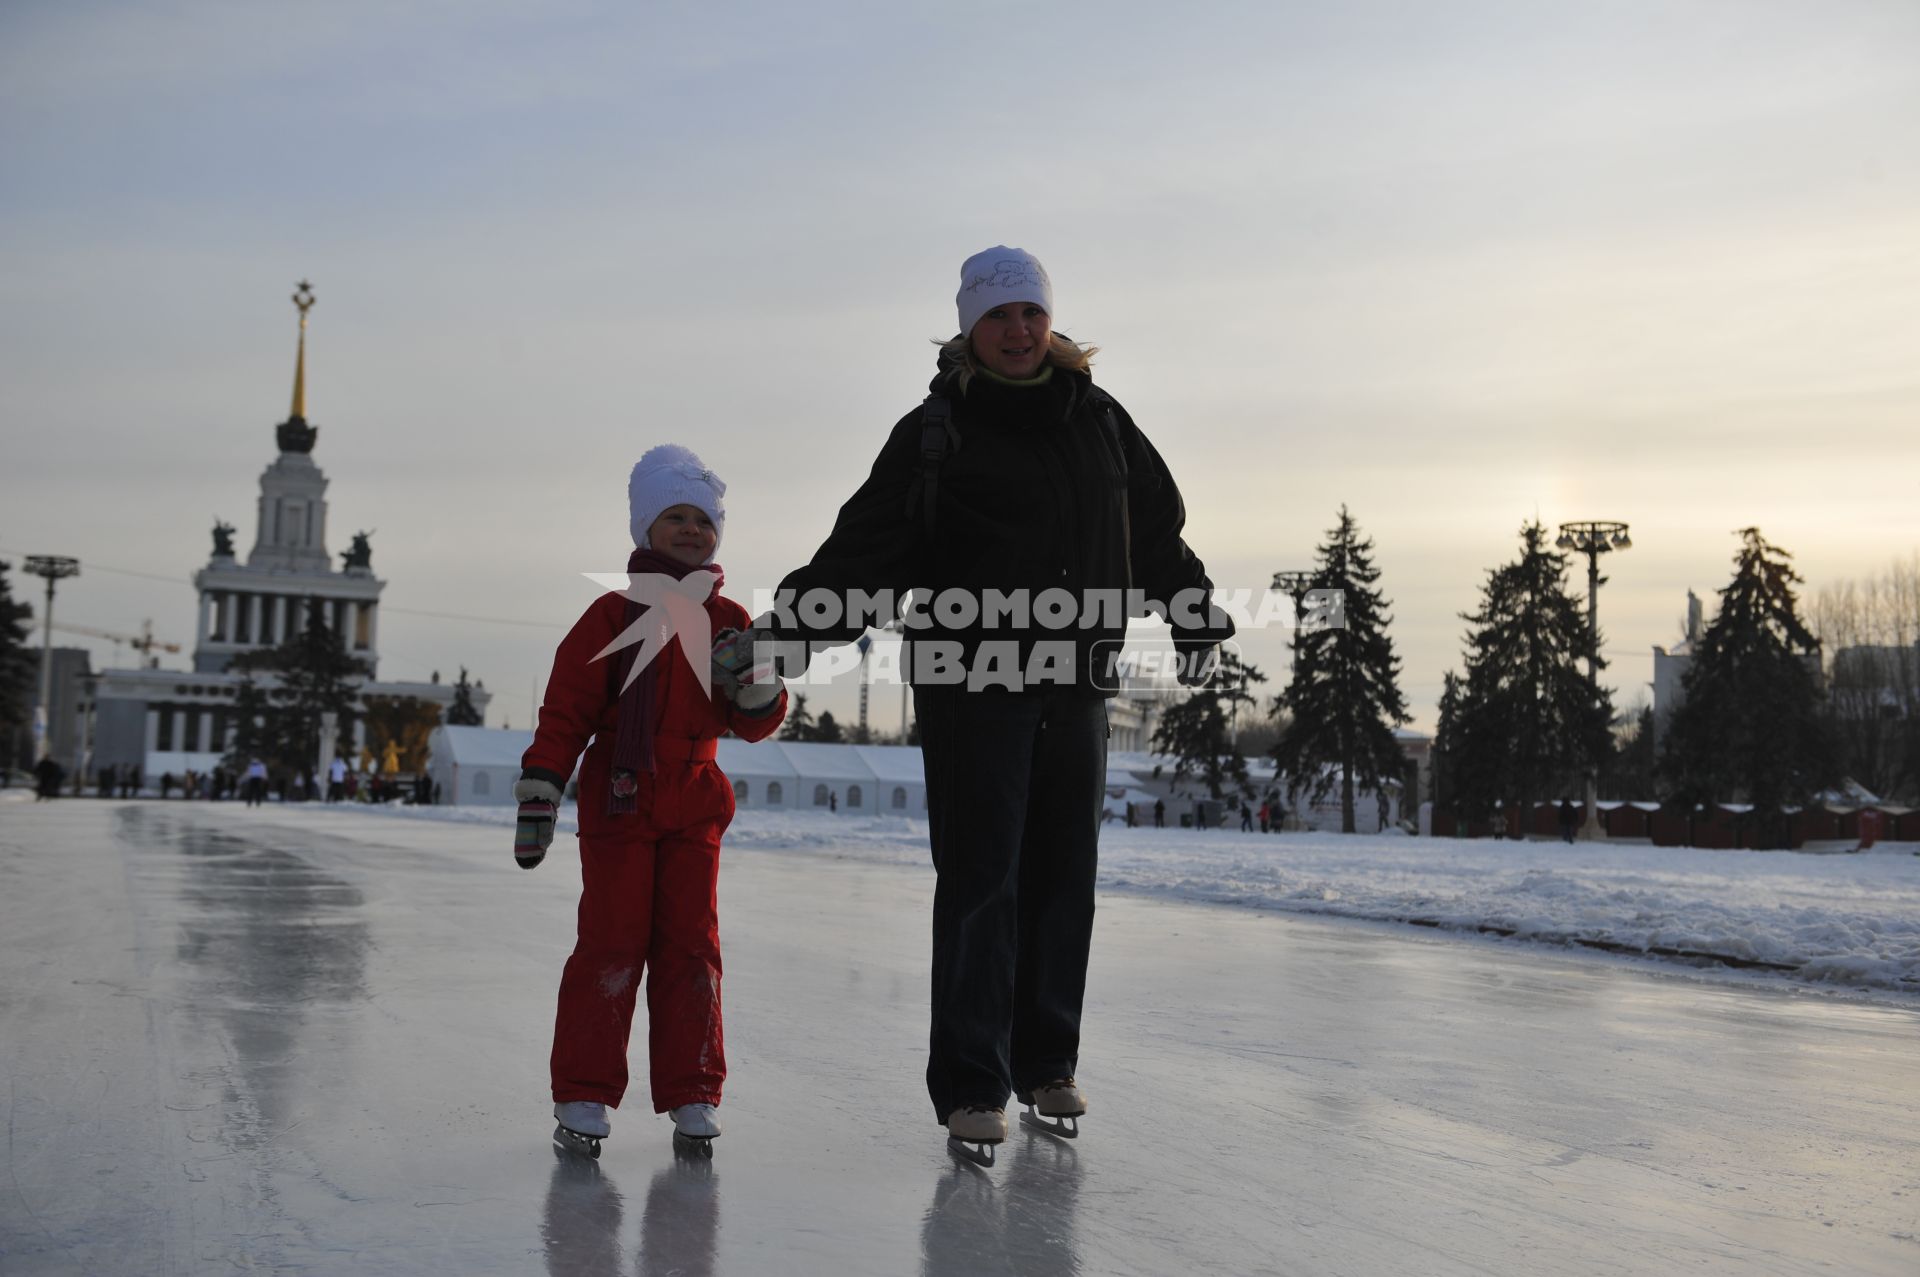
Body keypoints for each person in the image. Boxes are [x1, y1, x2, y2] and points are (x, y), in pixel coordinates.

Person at [757, 246, 1231, 1156]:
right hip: (973, 688)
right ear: (970, 328)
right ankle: (974, 1081)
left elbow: (1156, 530)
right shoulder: (937, 430)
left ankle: (1047, 1060)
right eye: (999, 316)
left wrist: (1194, 612)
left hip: (1079, 683)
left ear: (1053, 326)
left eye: (1031, 314)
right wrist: (787, 632)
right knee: (983, 882)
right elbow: (864, 551)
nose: (1018, 330)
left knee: (1065, 877)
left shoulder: (1100, 420)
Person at [514, 445, 787, 1157]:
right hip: (622, 797)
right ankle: (583, 1088)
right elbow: (566, 709)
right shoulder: (610, 615)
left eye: (703, 519)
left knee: (692, 948)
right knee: (611, 942)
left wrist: (756, 684)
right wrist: (543, 786)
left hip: (695, 798)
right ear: (645, 527)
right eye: (676, 517)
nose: (692, 530)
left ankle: (694, 1088)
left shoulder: (729, 617)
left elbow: (757, 721)